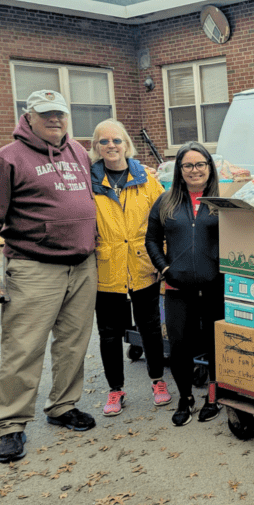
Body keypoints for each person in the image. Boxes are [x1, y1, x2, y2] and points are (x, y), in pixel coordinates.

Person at [0, 90, 98, 463]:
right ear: (29, 117)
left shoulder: (78, 153)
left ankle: (62, 406)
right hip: (34, 267)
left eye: (60, 114)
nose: (55, 120)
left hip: (83, 264)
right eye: (47, 114)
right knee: (23, 347)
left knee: (73, 343)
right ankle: (11, 424)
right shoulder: (7, 159)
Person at [89, 119, 170, 416]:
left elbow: (164, 217)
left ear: (127, 144)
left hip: (142, 263)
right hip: (106, 266)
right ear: (96, 148)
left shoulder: (146, 179)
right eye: (104, 141)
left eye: (116, 140)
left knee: (149, 326)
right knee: (109, 332)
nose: (111, 146)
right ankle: (115, 390)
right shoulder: (90, 182)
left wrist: (163, 258)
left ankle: (158, 381)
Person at [145, 142, 224, 427]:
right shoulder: (166, 201)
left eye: (200, 164)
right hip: (177, 288)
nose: (195, 170)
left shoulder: (221, 202)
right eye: (188, 165)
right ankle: (185, 397)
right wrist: (165, 269)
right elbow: (151, 240)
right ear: (180, 170)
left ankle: (213, 397)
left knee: (216, 344)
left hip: (215, 287)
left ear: (209, 167)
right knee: (179, 345)